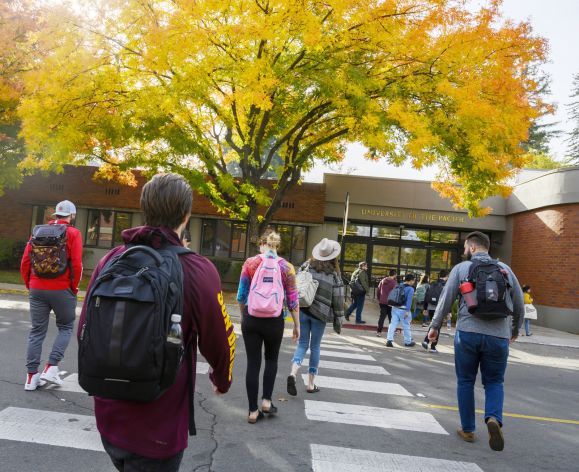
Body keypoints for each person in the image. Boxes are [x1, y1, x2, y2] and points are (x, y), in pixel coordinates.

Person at [78, 173, 234, 470]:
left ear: (144, 209)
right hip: (159, 425)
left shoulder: (110, 259)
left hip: (109, 419)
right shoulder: (197, 269)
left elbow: (84, 329)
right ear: (186, 215)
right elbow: (219, 340)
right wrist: (222, 379)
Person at [427, 231, 523, 452]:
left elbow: (446, 299)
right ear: (487, 248)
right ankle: (493, 418)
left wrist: (435, 327)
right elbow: (518, 302)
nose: (464, 252)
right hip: (498, 334)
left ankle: (468, 429)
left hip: (468, 333)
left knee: (465, 381)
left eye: (464, 248)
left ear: (471, 247)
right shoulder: (505, 269)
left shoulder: (461, 269)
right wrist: (515, 329)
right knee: (494, 382)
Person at [237, 230, 299, 424]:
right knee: (271, 359)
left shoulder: (250, 263)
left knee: (253, 364)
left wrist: (243, 315)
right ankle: (266, 401)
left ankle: (253, 411)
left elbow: (241, 295)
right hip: (274, 320)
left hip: (252, 318)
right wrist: (297, 325)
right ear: (277, 246)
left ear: (261, 244)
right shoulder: (286, 267)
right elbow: (292, 300)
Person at [20, 200, 83, 391]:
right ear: (71, 216)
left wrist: (30, 285)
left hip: (37, 288)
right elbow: (77, 265)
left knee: (36, 332)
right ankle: (51, 367)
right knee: (65, 327)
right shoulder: (73, 233)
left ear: (56, 215)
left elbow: (25, 262)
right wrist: (73, 287)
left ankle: (31, 378)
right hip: (62, 288)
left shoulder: (38, 231)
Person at [287, 238, 345, 395]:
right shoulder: (333, 274)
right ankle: (311, 384)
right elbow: (339, 299)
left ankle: (293, 373)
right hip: (320, 314)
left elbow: (295, 285)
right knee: (315, 347)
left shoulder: (306, 265)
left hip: (304, 309)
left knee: (302, 344)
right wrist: (339, 319)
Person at [421, 270, 449, 352]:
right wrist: (449, 312)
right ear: (446, 276)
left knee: (433, 324)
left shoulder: (432, 284)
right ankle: (432, 346)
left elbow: (426, 296)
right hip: (440, 309)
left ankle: (427, 341)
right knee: (437, 327)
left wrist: (425, 308)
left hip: (430, 308)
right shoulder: (445, 285)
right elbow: (446, 299)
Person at [385, 273, 416, 347]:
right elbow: (409, 301)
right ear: (410, 281)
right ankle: (408, 342)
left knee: (392, 324)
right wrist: (407, 311)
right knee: (406, 325)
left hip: (395, 307)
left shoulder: (398, 285)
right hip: (404, 309)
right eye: (413, 280)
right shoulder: (410, 289)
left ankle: (389, 340)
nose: (414, 282)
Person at [376, 270, 397, 337]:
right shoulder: (394, 283)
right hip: (390, 302)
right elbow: (396, 293)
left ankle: (379, 331)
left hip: (382, 301)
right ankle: (392, 331)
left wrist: (379, 299)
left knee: (382, 317)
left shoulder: (382, 281)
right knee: (391, 317)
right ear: (394, 274)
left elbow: (378, 290)